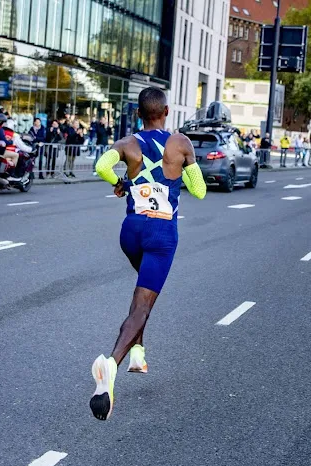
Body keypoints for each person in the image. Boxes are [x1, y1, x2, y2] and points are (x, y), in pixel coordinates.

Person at [90, 87, 207, 421]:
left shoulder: (126, 144)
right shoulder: (181, 143)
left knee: (143, 293)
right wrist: (180, 172)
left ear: (137, 114)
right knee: (144, 302)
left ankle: (138, 352)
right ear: (166, 112)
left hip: (131, 232)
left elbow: (100, 166)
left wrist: (122, 182)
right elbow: (198, 191)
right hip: (161, 233)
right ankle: (110, 365)